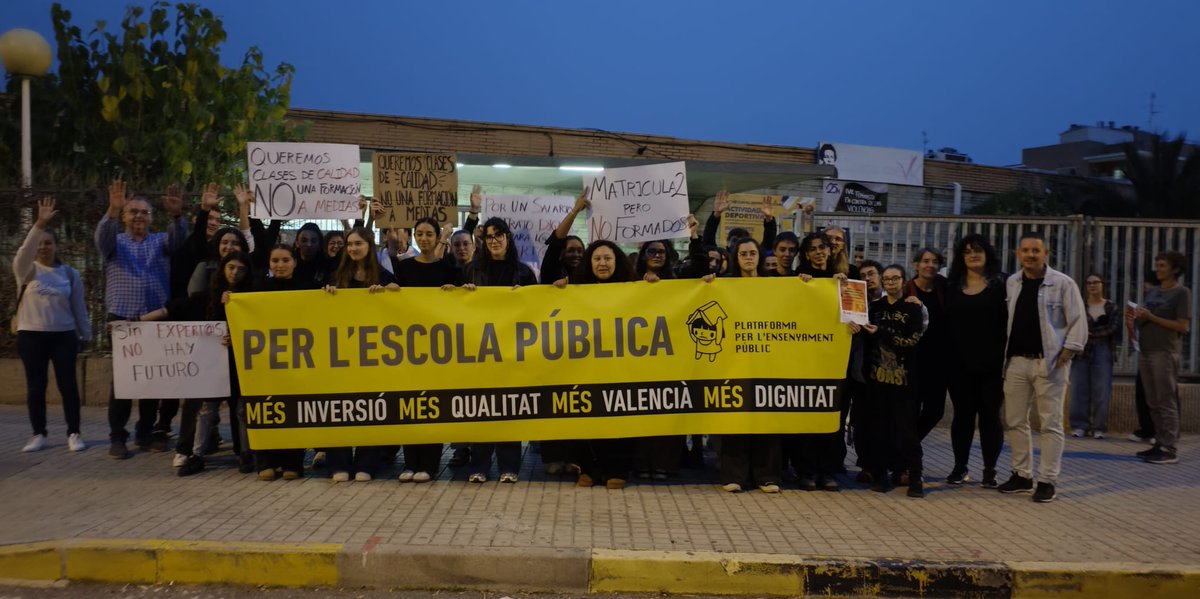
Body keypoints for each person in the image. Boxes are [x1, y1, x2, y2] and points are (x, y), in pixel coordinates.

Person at [95, 179, 188, 459]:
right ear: (124, 216)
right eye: (133, 211)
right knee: (122, 383)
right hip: (123, 319)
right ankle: (117, 436)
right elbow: (101, 238)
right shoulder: (115, 243)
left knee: (152, 380)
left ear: (151, 217)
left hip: (154, 319)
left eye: (144, 212)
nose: (138, 216)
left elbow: (180, 241)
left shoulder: (161, 241)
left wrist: (177, 215)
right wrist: (111, 209)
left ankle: (145, 433)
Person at [141, 251, 253, 477]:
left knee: (241, 409)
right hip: (209, 364)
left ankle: (246, 453)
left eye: (241, 269)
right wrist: (136, 323)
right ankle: (195, 454)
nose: (235, 272)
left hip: (238, 364)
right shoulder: (207, 297)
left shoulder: (250, 297)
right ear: (223, 268)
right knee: (205, 409)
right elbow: (172, 309)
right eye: (231, 267)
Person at [553, 239, 648, 489]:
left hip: (622, 369)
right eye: (597, 259)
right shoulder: (576, 290)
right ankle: (589, 469)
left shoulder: (635, 289)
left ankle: (618, 470)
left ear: (617, 261)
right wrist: (558, 291)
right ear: (589, 263)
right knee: (587, 417)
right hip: (586, 369)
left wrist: (655, 290)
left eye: (607, 258)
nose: (602, 263)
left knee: (619, 418)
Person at [999, 231, 1086, 503]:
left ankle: (1047, 480)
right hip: (1015, 362)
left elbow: (1078, 320)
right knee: (1014, 421)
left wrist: (1068, 351)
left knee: (1050, 424)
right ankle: (1022, 475)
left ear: (1045, 253)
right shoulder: (1012, 282)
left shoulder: (1062, 283)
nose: (1030, 255)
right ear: (1018, 254)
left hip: (1049, 362)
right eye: (1025, 250)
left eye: (1035, 250)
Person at [13, 196, 91, 453]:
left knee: (68, 386)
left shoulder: (69, 274)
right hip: (31, 336)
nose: (44, 247)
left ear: (56, 246)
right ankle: (39, 433)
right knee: (36, 387)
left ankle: (74, 432)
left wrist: (86, 333)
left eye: (48, 243)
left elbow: (79, 307)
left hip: (64, 336)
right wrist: (39, 224)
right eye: (40, 243)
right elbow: (23, 253)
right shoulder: (27, 271)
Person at [322, 227, 399, 482]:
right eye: (350, 244)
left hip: (374, 356)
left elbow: (401, 306)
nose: (353, 248)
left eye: (358, 243)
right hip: (341, 355)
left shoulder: (385, 276)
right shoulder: (336, 276)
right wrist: (327, 296)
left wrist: (390, 294)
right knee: (339, 407)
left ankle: (367, 461)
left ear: (369, 246)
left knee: (371, 407)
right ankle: (338, 463)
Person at [464, 217, 537, 483]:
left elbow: (537, 310)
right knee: (482, 409)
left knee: (509, 406)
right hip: (480, 349)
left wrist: (526, 297)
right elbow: (457, 305)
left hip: (513, 350)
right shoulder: (473, 269)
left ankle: (509, 466)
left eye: (499, 235)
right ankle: (479, 466)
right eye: (489, 237)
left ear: (508, 237)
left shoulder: (524, 272)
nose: (494, 241)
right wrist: (464, 293)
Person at [393, 217, 460, 484]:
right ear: (414, 236)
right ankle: (410, 463)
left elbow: (461, 298)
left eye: (429, 234)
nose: (424, 238)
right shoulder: (403, 267)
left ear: (436, 237)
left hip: (438, 349)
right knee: (409, 405)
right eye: (419, 234)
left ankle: (430, 465)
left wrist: (455, 291)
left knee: (433, 405)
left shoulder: (448, 267)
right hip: (408, 348)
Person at [853, 264, 926, 497]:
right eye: (887, 279)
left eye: (896, 278)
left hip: (904, 383)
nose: (891, 282)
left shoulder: (914, 308)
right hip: (877, 381)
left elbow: (910, 341)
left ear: (904, 281)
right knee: (878, 432)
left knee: (908, 434)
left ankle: (916, 479)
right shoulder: (874, 308)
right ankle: (881, 477)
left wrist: (881, 332)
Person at [718, 237, 782, 493]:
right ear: (736, 257)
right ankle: (734, 475)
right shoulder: (725, 285)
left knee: (766, 419)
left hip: (766, 361)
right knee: (736, 418)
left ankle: (766, 476)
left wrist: (807, 285)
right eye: (743, 253)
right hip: (734, 362)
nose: (748, 257)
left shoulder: (776, 286)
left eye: (753, 252)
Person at [943, 235, 1008, 488]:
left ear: (987, 253)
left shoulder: (1002, 284)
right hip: (959, 365)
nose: (973, 254)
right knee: (963, 417)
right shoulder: (951, 287)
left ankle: (990, 470)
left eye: (978, 250)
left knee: (990, 417)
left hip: (992, 366)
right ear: (961, 257)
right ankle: (960, 467)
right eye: (967, 251)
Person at [250, 245, 315, 478]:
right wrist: (230, 299)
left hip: (298, 360)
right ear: (269, 263)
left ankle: (292, 462)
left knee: (294, 408)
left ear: (295, 262)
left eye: (286, 260)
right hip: (266, 361)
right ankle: (266, 461)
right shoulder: (256, 291)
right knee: (267, 407)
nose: (280, 265)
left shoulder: (308, 288)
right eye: (275, 260)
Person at [1128, 251, 1191, 465]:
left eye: (1162, 265)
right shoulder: (1153, 291)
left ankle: (1170, 447)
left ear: (1175, 269)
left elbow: (1183, 326)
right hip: (1146, 351)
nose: (1158, 268)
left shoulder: (1181, 293)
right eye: (1157, 264)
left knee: (1166, 400)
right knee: (1152, 400)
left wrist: (1151, 317)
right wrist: (1136, 318)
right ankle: (1158, 441)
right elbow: (1145, 317)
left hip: (1164, 352)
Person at [903, 248, 950, 441]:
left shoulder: (944, 287)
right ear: (916, 265)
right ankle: (907, 457)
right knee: (910, 411)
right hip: (912, 361)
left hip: (938, 361)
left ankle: (907, 447)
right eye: (925, 261)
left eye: (935, 262)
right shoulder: (907, 289)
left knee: (935, 411)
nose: (930, 265)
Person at [1069, 274, 1120, 439]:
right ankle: (1079, 425)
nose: (1092, 286)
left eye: (1095, 282)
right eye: (1089, 283)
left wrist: (1089, 333)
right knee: (1079, 389)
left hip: (1104, 350)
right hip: (1082, 350)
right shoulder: (1080, 306)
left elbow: (1113, 328)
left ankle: (1099, 427)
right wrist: (1088, 334)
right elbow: (1074, 325)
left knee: (1102, 390)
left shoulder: (1111, 307)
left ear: (1102, 285)